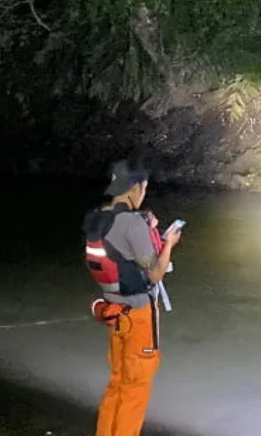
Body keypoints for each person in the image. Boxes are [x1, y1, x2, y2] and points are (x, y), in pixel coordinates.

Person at [83, 160, 181, 436]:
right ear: (136, 187)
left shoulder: (96, 218)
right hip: (137, 316)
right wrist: (169, 244)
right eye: (144, 187)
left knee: (117, 382)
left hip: (114, 311)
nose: (144, 192)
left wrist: (145, 227)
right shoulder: (132, 224)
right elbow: (154, 275)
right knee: (135, 389)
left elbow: (120, 253)